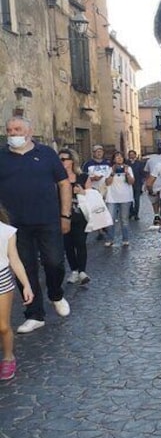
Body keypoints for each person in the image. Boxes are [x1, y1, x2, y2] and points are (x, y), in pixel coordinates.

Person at [0, 116, 71, 334]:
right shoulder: (1, 156)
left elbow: (63, 182)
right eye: (9, 130)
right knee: (25, 268)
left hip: (48, 220)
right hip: (14, 225)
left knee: (54, 262)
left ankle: (56, 294)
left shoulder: (47, 154)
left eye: (17, 129)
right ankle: (34, 314)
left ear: (29, 132)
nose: (13, 133)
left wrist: (65, 215)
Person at [0, 203, 34, 380]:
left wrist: (26, 285)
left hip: (2, 280)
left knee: (3, 326)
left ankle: (8, 357)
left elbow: (15, 259)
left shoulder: (7, 231)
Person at [59, 148, 92, 285]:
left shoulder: (83, 177)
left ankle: (82, 271)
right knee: (68, 245)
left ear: (72, 161)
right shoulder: (57, 178)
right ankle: (74, 270)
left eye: (63, 159)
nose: (61, 162)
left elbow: (92, 195)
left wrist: (82, 191)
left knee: (80, 243)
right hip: (63, 216)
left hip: (80, 215)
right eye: (59, 159)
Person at [104, 151, 135, 247]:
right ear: (113, 159)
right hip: (112, 198)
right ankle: (110, 239)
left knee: (124, 219)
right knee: (110, 219)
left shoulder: (128, 168)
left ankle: (125, 239)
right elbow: (107, 183)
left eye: (121, 157)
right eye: (117, 157)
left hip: (125, 197)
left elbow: (131, 182)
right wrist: (112, 173)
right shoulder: (109, 169)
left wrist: (127, 173)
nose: (119, 158)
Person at [83, 144, 111, 240]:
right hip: (94, 190)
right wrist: (93, 178)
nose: (99, 153)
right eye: (97, 151)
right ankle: (100, 230)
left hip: (107, 189)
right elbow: (84, 177)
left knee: (107, 209)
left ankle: (107, 226)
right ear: (93, 153)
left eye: (100, 151)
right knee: (98, 210)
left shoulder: (108, 163)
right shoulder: (88, 164)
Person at [144, 140, 161, 228]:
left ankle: (156, 215)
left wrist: (147, 184)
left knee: (154, 201)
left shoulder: (150, 160)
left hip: (154, 183)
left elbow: (147, 173)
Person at [127, 150, 146, 221]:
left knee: (137, 199)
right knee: (129, 199)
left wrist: (143, 182)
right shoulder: (126, 163)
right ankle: (130, 212)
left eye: (132, 154)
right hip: (128, 184)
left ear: (135, 155)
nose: (131, 156)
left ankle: (136, 214)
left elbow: (142, 173)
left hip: (137, 183)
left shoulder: (140, 163)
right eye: (130, 154)